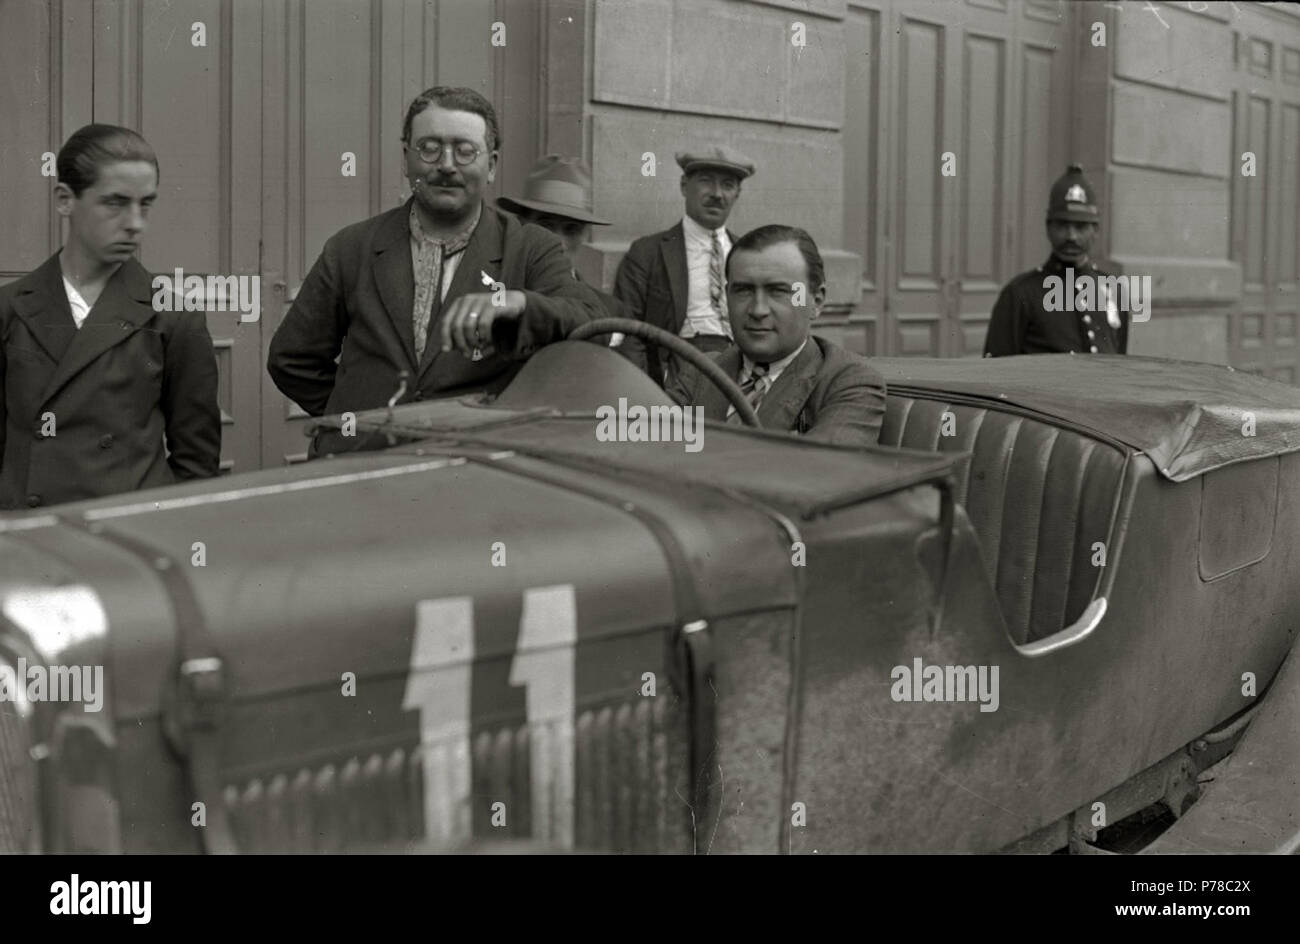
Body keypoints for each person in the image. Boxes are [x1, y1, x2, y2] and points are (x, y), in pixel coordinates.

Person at [267, 87, 603, 457]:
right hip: (359, 465)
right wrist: (358, 412)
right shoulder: (351, 247)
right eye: (429, 148)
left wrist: (519, 303)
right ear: (406, 159)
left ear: (491, 165)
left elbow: (590, 318)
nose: (446, 164)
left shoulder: (531, 247)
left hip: (472, 469)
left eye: (464, 150)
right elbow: (291, 358)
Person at [0, 124, 221, 510]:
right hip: (32, 535)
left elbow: (197, 462)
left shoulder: (173, 315)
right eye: (115, 203)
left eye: (145, 203)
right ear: (65, 200)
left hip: (128, 534)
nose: (136, 222)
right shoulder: (11, 307)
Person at [665, 224, 886, 447]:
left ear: (815, 302)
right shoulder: (700, 371)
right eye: (743, 290)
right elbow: (648, 443)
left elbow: (822, 469)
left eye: (778, 291)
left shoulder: (848, 382)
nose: (758, 310)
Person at [613, 145, 754, 384]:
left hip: (741, 371)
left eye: (728, 185)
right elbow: (627, 329)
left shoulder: (748, 254)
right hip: (678, 373)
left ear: (737, 194)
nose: (717, 194)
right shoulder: (648, 252)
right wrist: (646, 392)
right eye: (706, 181)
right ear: (683, 186)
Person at [984, 163, 1129, 357]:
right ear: (1048, 227)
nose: (1072, 236)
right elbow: (996, 374)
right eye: (1063, 225)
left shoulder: (1114, 291)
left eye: (1081, 226)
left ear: (1095, 230)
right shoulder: (1020, 294)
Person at [497, 154, 624, 321]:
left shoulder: (609, 311)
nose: (558, 243)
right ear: (521, 225)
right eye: (546, 227)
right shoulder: (495, 298)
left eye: (571, 230)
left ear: (585, 234)